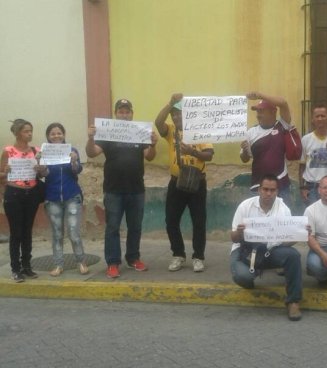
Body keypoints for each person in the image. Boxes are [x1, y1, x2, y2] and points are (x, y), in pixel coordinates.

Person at [86, 99, 158, 278]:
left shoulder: (139, 132)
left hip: (136, 189)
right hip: (113, 190)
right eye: (121, 112)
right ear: (116, 114)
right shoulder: (107, 132)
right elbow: (92, 153)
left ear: (132, 114)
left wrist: (154, 145)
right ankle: (112, 262)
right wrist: (90, 137)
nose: (124, 115)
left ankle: (133, 258)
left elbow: (149, 157)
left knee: (135, 227)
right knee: (112, 227)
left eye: (127, 112)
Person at [230, 174, 304, 321]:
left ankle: (293, 301)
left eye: (272, 190)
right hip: (245, 250)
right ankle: (251, 273)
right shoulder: (245, 206)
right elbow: (233, 238)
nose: (269, 193)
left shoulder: (283, 209)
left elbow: (285, 242)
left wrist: (299, 235)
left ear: (277, 191)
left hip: (271, 251)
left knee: (293, 255)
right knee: (242, 277)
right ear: (259, 190)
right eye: (265, 189)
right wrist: (239, 232)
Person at [155, 93, 214, 273]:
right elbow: (158, 123)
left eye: (179, 113)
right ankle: (178, 254)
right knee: (171, 219)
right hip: (177, 181)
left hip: (197, 181)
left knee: (199, 221)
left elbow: (209, 155)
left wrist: (193, 152)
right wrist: (170, 103)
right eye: (174, 114)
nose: (176, 117)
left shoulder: (200, 130)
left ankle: (198, 257)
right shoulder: (171, 131)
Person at [0, 119, 46, 282]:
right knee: (16, 232)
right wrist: (5, 172)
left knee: (27, 231)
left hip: (31, 193)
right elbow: (1, 177)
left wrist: (41, 169)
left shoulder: (36, 150)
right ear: (18, 132)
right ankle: (15, 268)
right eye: (26, 131)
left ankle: (27, 266)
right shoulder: (8, 151)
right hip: (14, 194)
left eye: (31, 131)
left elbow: (43, 174)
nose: (30, 134)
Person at [240, 92, 301, 207]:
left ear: (273, 112)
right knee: (258, 220)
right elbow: (244, 159)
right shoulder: (250, 132)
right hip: (258, 186)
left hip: (281, 184)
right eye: (257, 111)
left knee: (283, 221)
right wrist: (244, 151)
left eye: (261, 111)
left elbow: (283, 103)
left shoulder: (282, 125)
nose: (258, 115)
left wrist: (260, 95)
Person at [43, 122, 88, 276]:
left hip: (72, 196)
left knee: (74, 232)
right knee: (57, 233)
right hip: (52, 197)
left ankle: (81, 262)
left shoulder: (71, 150)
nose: (56, 136)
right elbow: (43, 175)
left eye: (59, 133)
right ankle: (58, 265)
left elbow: (77, 170)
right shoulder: (44, 152)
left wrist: (74, 160)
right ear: (48, 137)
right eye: (53, 134)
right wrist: (39, 164)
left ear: (64, 135)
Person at [299, 105, 327, 206]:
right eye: (317, 116)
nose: (320, 118)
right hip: (311, 187)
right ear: (312, 119)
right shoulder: (305, 139)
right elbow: (302, 165)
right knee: (312, 218)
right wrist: (302, 188)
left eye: (323, 116)